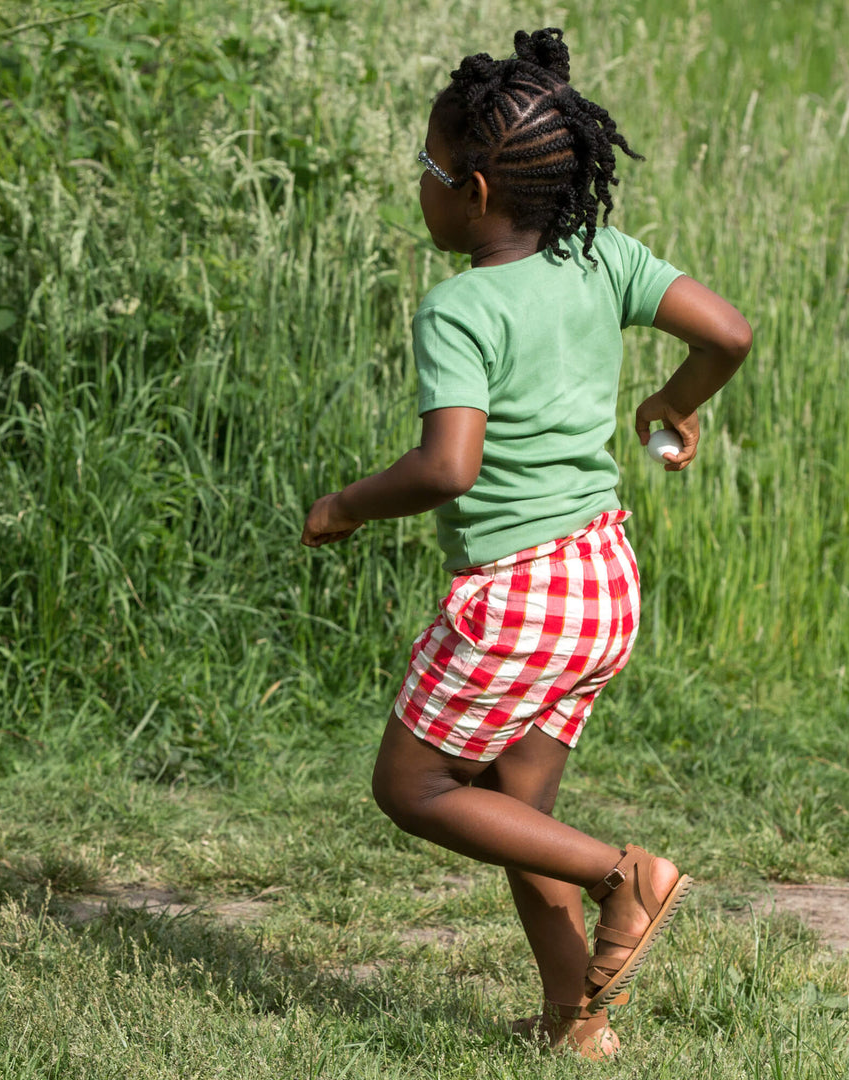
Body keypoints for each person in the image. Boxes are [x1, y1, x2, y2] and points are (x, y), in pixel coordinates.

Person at [301, 27, 752, 1060]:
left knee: (411, 789)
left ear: (470, 188)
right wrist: (672, 406)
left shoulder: (460, 307)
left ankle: (625, 876)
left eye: (424, 165)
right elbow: (727, 332)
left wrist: (349, 504)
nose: (415, 184)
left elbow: (448, 467)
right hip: (603, 576)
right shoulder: (604, 260)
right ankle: (574, 1023)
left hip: (521, 591)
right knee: (517, 813)